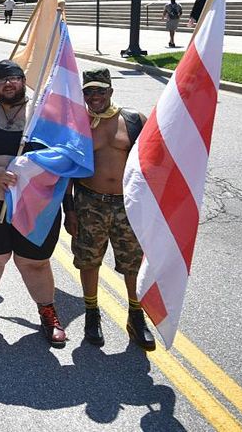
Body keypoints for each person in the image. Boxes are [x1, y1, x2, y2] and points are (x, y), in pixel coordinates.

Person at [0, 60, 67, 347]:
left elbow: (64, 151)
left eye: (15, 78)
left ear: (23, 80)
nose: (10, 83)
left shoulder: (41, 115)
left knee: (35, 263)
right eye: (3, 79)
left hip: (34, 206)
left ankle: (48, 313)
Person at [65, 69, 155, 351]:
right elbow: (66, 170)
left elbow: (153, 162)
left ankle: (136, 316)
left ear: (111, 92)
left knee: (132, 263)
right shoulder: (77, 125)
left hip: (127, 205)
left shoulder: (133, 120)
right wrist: (70, 210)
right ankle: (92, 314)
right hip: (89, 204)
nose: (95, 97)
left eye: (100, 91)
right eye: (89, 92)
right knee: (88, 261)